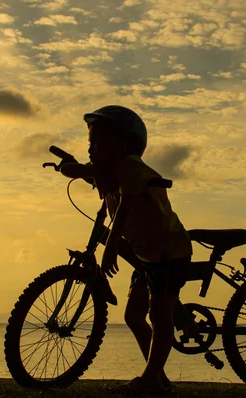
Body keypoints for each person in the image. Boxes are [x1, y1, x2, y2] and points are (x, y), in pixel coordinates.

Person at [60, 105, 192, 394]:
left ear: (122, 145)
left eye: (98, 142)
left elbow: (126, 208)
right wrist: (71, 166)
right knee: (133, 316)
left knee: (159, 315)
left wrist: (109, 249)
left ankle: (149, 379)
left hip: (169, 251)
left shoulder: (131, 167)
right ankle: (157, 377)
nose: (92, 149)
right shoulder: (110, 173)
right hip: (147, 257)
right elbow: (90, 173)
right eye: (89, 143)